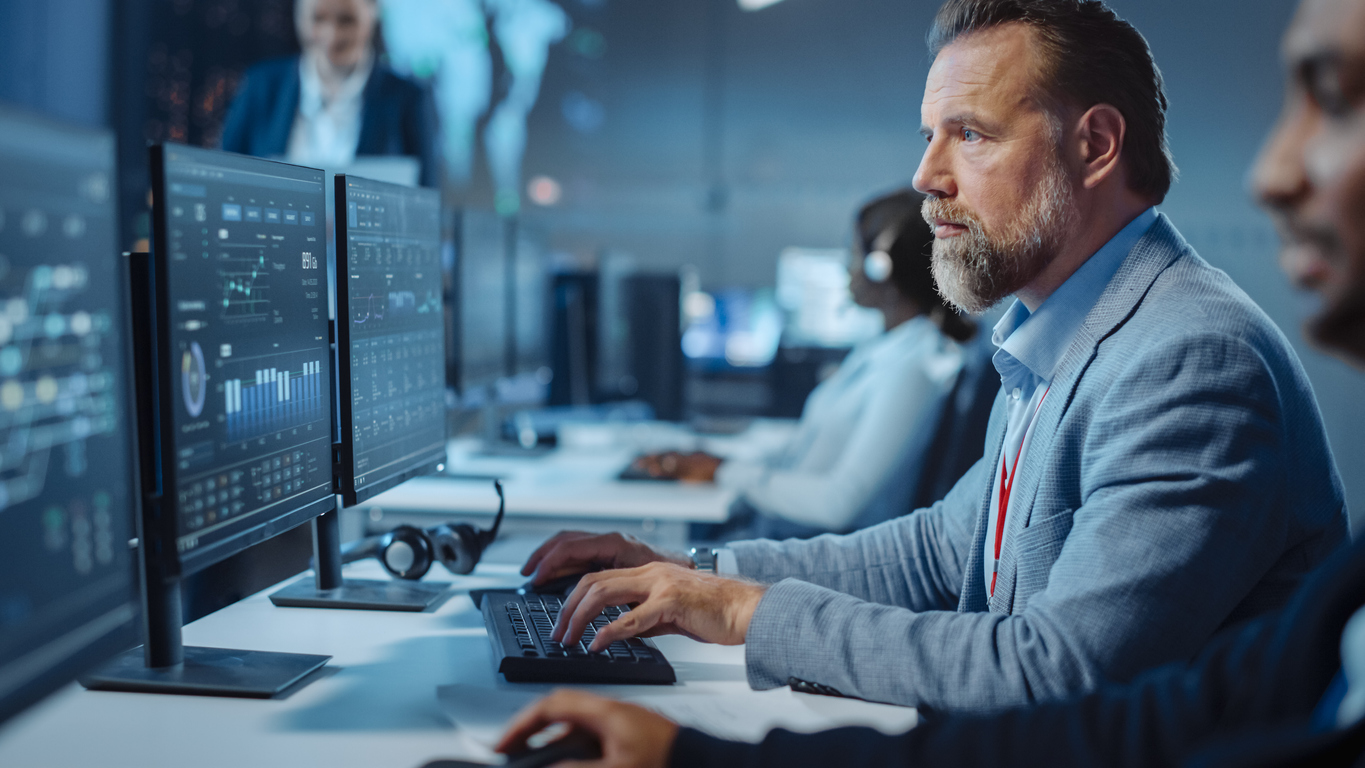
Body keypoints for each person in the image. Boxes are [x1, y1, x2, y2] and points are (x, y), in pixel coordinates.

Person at [495, 0, 1365, 763]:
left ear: (1094, 145)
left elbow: (1057, 676)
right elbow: (932, 553)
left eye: (971, 134)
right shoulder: (1057, 334)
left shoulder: (1188, 355)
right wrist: (688, 571)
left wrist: (748, 614)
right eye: (929, 135)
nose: (925, 177)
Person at [633, 189, 977, 537]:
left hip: (814, 550)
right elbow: (805, 454)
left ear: (882, 267)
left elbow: (838, 503)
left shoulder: (911, 370)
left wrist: (725, 471)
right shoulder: (884, 351)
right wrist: (718, 460)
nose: (847, 266)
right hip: (782, 533)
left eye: (854, 252)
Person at [219, 0, 440, 186]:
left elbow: (429, 202)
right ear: (298, 16)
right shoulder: (261, 86)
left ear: (373, 12)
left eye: (347, 20)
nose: (331, 34)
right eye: (317, 18)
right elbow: (223, 175)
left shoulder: (409, 98)